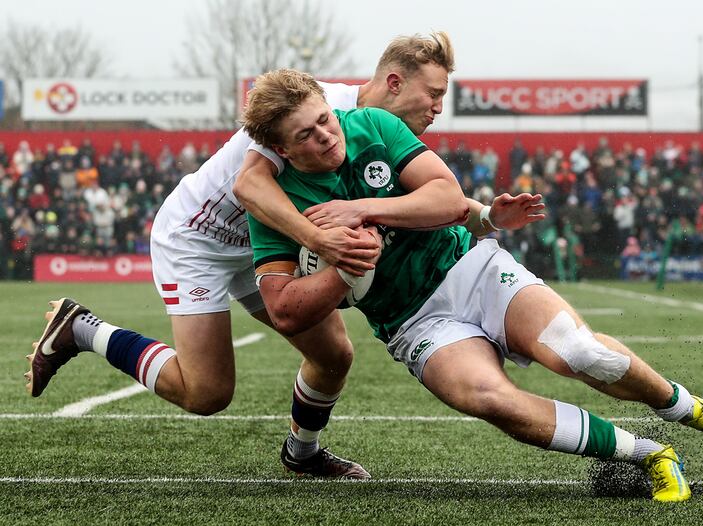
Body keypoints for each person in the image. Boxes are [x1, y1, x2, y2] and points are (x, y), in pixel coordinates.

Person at [243, 69, 703, 503]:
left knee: (578, 351)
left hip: (473, 269)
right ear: (278, 149)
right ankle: (651, 454)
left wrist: (363, 209)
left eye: (324, 119)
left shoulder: (372, 125)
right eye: (305, 136)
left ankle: (686, 408)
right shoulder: (275, 206)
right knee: (489, 398)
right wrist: (345, 268)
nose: (326, 135)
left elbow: (448, 199)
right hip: (411, 321)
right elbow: (286, 311)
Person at [25, 32, 456, 480]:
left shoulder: (366, 130)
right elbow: (248, 185)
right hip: (199, 240)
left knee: (334, 355)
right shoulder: (313, 106)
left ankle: (302, 453)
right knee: (207, 393)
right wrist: (320, 240)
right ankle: (83, 329)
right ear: (394, 83)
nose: (437, 108)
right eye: (434, 93)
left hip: (261, 243)